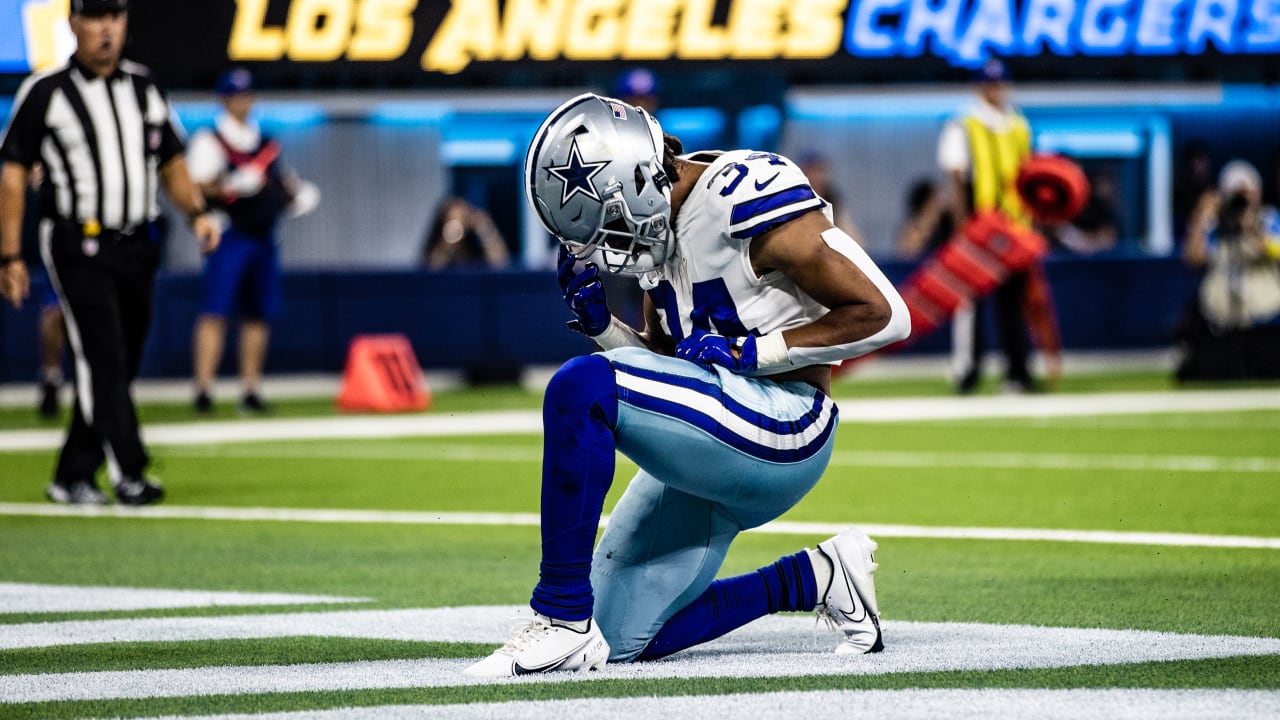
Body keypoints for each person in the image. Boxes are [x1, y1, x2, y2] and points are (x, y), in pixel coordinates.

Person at [464, 93, 910, 677]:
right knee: (621, 638)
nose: (610, 244)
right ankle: (819, 575)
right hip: (717, 435)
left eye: (612, 220)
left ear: (641, 178)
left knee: (578, 389)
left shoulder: (738, 196)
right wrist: (606, 328)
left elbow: (884, 314)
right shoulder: (659, 238)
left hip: (787, 422)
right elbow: (669, 372)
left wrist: (754, 352)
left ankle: (560, 619)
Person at [0, 0, 220, 504]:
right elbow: (13, 174)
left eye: (114, 17)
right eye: (95, 17)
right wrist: (9, 256)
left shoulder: (144, 87)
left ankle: (72, 473)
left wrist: (198, 214)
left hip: (138, 241)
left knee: (119, 362)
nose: (106, 29)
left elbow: (172, 162)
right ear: (73, 25)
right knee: (103, 355)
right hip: (77, 241)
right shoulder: (45, 92)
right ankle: (130, 471)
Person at [187, 67, 318, 414]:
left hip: (262, 235)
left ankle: (250, 388)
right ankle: (203, 388)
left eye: (246, 95)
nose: (242, 102)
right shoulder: (209, 139)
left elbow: (282, 182)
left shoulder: (266, 142)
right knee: (216, 310)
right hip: (229, 233)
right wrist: (230, 184)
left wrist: (296, 196)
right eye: (235, 96)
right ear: (224, 99)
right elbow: (197, 186)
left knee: (258, 314)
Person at [936, 58, 1055, 393]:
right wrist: (962, 228)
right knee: (970, 303)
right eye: (990, 84)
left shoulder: (1018, 124)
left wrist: (1033, 225)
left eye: (1000, 83)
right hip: (980, 225)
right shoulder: (965, 123)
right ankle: (968, 371)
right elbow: (957, 178)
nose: (995, 90)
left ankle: (1018, 371)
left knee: (1014, 301)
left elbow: (1032, 177)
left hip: (1015, 227)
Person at [1177, 159, 1280, 379]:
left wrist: (1251, 227)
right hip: (1221, 323)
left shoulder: (1269, 218)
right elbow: (1193, 258)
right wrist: (1201, 217)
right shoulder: (1215, 224)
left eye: (1246, 191)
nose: (1241, 198)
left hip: (1265, 322)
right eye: (1235, 192)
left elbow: (1276, 251)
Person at [420, 196, 510, 270]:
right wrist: (451, 237)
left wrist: (486, 229)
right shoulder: (437, 247)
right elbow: (433, 268)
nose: (460, 224)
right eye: (452, 220)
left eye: (463, 218)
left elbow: (500, 263)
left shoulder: (474, 244)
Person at [895, 177, 954, 260]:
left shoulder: (943, 230)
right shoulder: (910, 233)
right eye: (935, 200)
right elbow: (905, 259)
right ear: (926, 205)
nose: (940, 204)